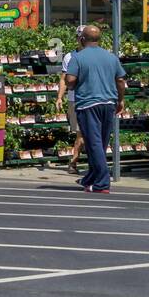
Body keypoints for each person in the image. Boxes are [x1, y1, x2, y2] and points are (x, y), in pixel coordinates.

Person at [65, 24, 126, 194]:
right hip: (109, 104)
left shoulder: (78, 57)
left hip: (88, 104)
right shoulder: (111, 57)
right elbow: (120, 81)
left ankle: (102, 183)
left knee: (94, 143)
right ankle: (91, 177)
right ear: (99, 39)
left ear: (82, 39)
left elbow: (70, 80)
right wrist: (120, 100)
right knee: (101, 143)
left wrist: (74, 84)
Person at [54, 38, 85, 174]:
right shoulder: (70, 56)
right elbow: (64, 79)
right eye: (81, 37)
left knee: (87, 134)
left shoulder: (96, 55)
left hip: (91, 99)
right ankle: (74, 162)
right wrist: (60, 97)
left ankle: (74, 162)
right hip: (75, 99)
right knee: (80, 133)